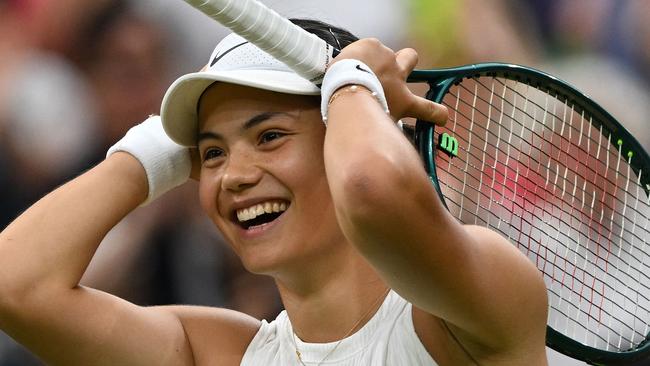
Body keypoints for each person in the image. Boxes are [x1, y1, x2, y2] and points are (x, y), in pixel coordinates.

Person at [0, 19, 549, 365]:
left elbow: (369, 187)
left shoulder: (465, 307)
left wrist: (353, 84)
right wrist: (155, 147)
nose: (234, 174)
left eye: (269, 136)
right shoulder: (222, 354)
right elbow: (15, 287)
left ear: (346, 136)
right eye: (212, 153)